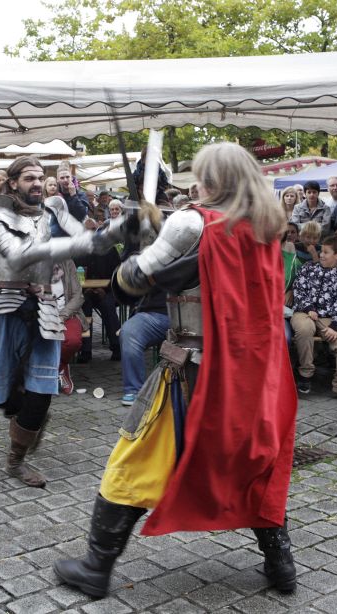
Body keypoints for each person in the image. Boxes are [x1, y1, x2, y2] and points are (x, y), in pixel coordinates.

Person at [53, 142, 297, 598]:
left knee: (132, 460)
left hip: (192, 371)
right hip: (252, 376)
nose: (196, 184)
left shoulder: (190, 222)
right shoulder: (267, 227)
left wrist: (139, 238)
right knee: (251, 465)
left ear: (214, 180)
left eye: (201, 175)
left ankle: (96, 568)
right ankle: (281, 566)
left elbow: (128, 283)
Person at [0, 155, 108, 489]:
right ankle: (24, 415)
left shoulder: (50, 214)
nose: (36, 183)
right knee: (5, 398)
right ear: (13, 182)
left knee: (41, 392)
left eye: (39, 178)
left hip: (45, 308)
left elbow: (87, 241)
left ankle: (16, 460)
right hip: (4, 309)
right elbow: (15, 253)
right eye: (28, 178)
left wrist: (126, 227)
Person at [291, 235, 337, 403]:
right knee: (305, 329)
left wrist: (335, 326)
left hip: (329, 317)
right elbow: (298, 289)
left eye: (326, 252)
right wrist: (308, 308)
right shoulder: (308, 268)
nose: (321, 254)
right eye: (321, 251)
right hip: (304, 312)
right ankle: (305, 374)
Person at [118, 287, 168, 406]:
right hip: (156, 313)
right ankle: (134, 390)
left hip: (196, 308)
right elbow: (128, 292)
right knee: (130, 332)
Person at [53, 259, 84, 395]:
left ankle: (61, 366)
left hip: (67, 314)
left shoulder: (67, 262)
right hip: (41, 315)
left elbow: (78, 296)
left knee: (73, 341)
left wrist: (62, 316)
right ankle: (47, 372)